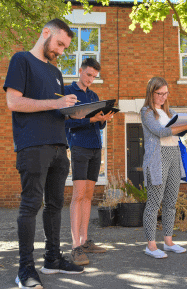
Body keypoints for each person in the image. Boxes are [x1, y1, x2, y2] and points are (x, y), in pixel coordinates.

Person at [3, 19, 85, 289]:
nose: (61, 51)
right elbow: (13, 102)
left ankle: (52, 259)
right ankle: (25, 268)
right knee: (30, 206)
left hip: (59, 146)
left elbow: (55, 110)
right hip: (32, 146)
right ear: (46, 32)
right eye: (60, 44)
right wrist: (56, 102)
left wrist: (79, 114)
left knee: (55, 205)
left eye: (65, 47)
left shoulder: (56, 72)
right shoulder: (21, 60)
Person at [141, 77, 187, 259]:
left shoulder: (170, 111)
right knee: (153, 203)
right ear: (151, 92)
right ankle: (150, 245)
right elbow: (160, 132)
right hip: (158, 158)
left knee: (171, 202)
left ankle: (168, 241)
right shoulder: (147, 112)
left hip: (174, 155)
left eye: (166, 93)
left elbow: (178, 129)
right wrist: (186, 125)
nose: (163, 97)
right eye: (160, 93)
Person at [65, 58, 114, 266]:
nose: (91, 80)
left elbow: (97, 125)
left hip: (95, 148)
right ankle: (75, 246)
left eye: (94, 76)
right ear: (80, 71)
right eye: (88, 75)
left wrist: (103, 120)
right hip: (78, 147)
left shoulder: (94, 95)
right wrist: (90, 120)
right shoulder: (67, 92)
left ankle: (85, 241)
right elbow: (66, 121)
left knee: (88, 196)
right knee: (78, 195)